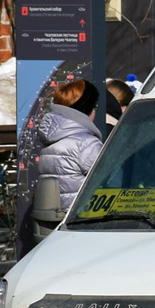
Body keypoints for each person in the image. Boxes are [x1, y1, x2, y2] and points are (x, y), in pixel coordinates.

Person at [36, 79, 104, 210]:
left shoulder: (51, 140)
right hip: (82, 217)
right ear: (85, 109)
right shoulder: (86, 144)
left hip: (56, 217)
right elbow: (108, 180)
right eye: (95, 106)